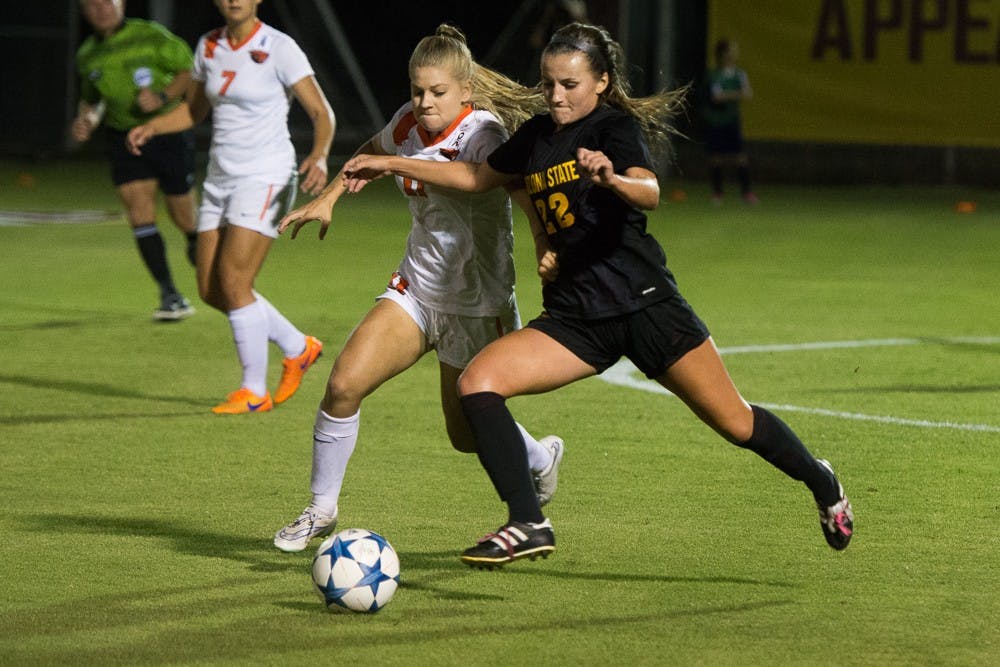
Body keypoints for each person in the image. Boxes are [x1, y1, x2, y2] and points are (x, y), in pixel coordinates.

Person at [343, 22, 854, 568]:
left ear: (602, 83)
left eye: (569, 84)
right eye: (548, 84)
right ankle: (527, 521)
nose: (556, 96)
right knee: (478, 384)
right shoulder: (537, 135)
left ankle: (820, 479)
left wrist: (613, 179)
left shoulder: (614, 128)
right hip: (576, 317)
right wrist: (391, 162)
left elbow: (650, 192)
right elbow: (475, 177)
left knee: (736, 422)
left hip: (645, 305)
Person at [270, 25, 563, 553]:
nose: (424, 103)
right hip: (417, 289)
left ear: (466, 90)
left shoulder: (485, 134)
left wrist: (545, 241)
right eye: (417, 90)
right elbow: (372, 149)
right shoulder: (407, 123)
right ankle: (320, 509)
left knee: (465, 433)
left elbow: (481, 180)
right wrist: (333, 194)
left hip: (477, 303)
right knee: (343, 385)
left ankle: (538, 458)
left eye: (437, 92)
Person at [127, 0, 335, 414]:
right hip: (221, 179)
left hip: (266, 176)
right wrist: (154, 125)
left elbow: (320, 111)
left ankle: (253, 391)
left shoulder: (279, 46)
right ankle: (298, 346)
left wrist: (321, 154)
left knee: (235, 282)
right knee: (210, 290)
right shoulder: (208, 46)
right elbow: (194, 110)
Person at [73, 0, 198, 321]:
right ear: (84, 11)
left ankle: (213, 269)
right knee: (139, 213)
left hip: (168, 133)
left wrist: (162, 96)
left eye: (107, 2)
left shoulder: (150, 35)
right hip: (124, 139)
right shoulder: (87, 54)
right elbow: (92, 99)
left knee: (183, 216)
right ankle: (170, 294)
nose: (101, 9)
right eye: (92, 4)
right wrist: (86, 120)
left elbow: (189, 70)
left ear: (121, 4)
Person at [703, 39, 757, 204]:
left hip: (732, 120)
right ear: (723, 54)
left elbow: (748, 94)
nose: (733, 54)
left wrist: (729, 94)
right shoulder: (714, 75)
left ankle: (746, 193)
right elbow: (716, 97)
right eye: (730, 50)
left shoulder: (740, 74)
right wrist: (737, 93)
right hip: (716, 120)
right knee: (716, 157)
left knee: (740, 156)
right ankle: (718, 193)